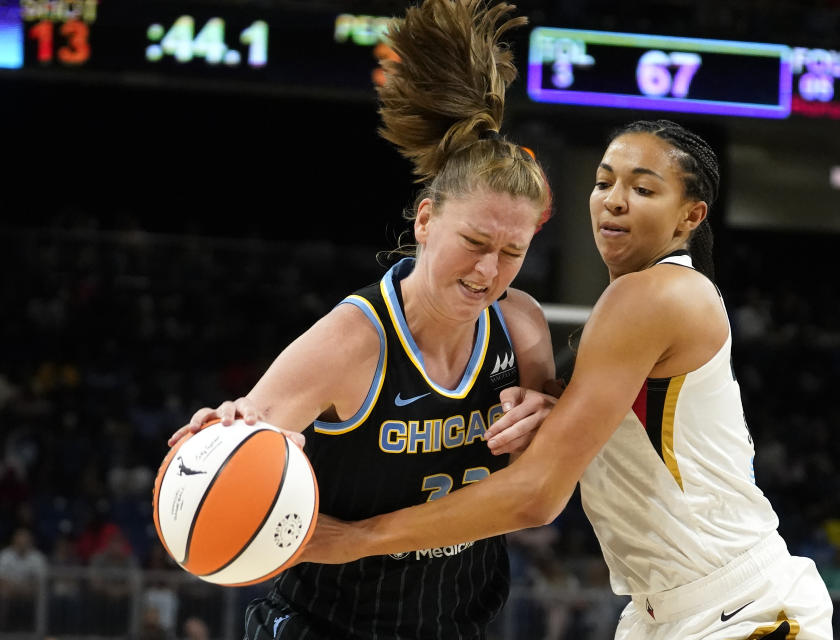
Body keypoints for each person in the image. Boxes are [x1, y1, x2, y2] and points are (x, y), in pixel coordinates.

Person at [305, 120, 835, 639]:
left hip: (738, 607)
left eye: (644, 188)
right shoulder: (639, 304)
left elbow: (535, 496)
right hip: (669, 612)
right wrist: (553, 407)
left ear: (689, 217)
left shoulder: (653, 295)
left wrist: (358, 537)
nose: (615, 199)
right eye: (604, 182)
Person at [167, 1, 555, 638]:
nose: (489, 270)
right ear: (425, 221)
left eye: (513, 252)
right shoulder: (351, 341)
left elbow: (542, 488)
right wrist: (218, 443)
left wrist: (551, 412)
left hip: (462, 623)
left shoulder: (524, 326)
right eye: (475, 242)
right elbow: (233, 451)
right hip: (324, 624)